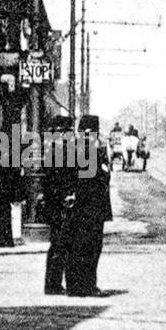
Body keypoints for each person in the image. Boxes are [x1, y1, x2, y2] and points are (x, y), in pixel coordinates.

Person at [64, 116, 114, 297]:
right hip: (92, 206)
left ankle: (73, 286)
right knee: (91, 247)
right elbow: (103, 176)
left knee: (75, 245)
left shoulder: (72, 147)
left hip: (77, 205)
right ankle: (87, 285)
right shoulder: (93, 149)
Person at [42, 116, 75, 294]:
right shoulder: (60, 150)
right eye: (68, 131)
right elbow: (61, 179)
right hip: (59, 203)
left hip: (54, 202)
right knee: (60, 243)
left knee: (58, 243)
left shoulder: (52, 148)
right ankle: (53, 284)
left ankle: (53, 283)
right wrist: (67, 195)